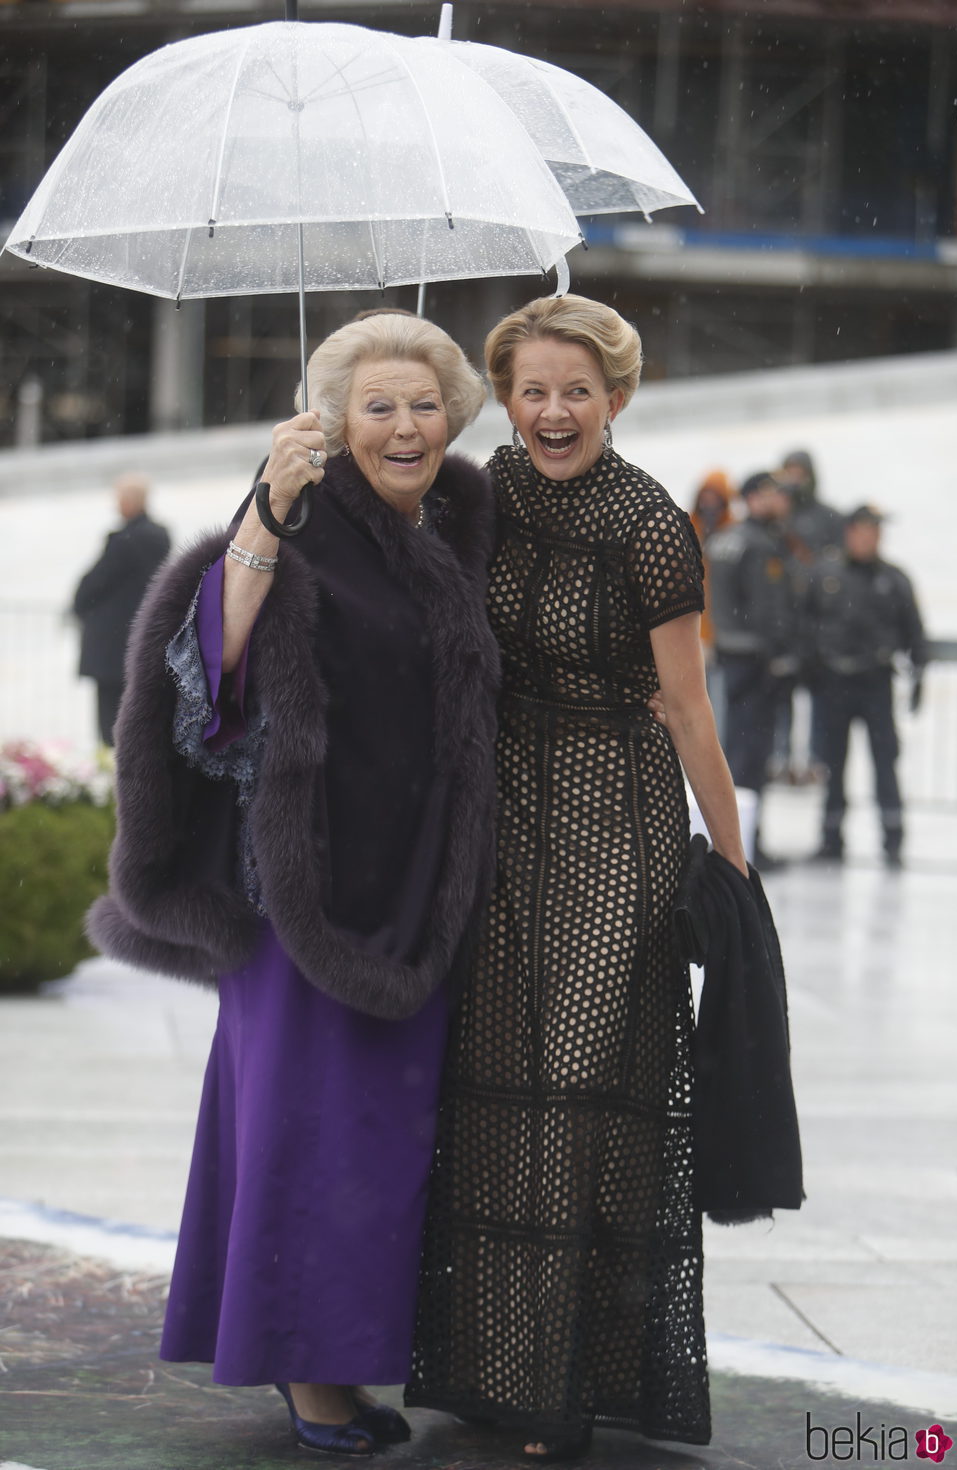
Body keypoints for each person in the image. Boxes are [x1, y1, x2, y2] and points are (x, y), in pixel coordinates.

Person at [87, 313, 499, 1458]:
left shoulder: (458, 529)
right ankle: (306, 1373)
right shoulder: (296, 518)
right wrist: (266, 510)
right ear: (333, 423)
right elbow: (203, 674)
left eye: (423, 405)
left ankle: (340, 1351)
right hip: (302, 893)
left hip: (418, 887)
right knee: (305, 1129)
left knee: (378, 1134)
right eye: (377, 407)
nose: (405, 426)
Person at [407, 295, 748, 1462]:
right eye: (530, 389)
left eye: (575, 391)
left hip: (618, 817)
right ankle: (490, 1365)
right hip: (498, 814)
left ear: (615, 397)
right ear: (503, 397)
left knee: (576, 1092)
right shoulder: (473, 495)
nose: (552, 411)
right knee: (496, 1085)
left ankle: (571, 1378)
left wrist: (734, 867)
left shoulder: (651, 524)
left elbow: (687, 707)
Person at [806, 504, 927, 868]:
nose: (869, 538)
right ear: (849, 532)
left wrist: (920, 674)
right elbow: (803, 626)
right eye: (863, 530)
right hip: (834, 685)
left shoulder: (894, 578)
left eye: (875, 532)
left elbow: (915, 633)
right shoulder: (825, 574)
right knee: (833, 763)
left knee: (885, 761)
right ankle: (830, 838)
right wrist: (808, 671)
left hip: (876, 684)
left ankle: (892, 840)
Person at [705, 470, 805, 866]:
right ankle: (745, 846)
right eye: (771, 494)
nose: (780, 501)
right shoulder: (760, 545)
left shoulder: (726, 539)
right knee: (750, 756)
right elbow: (769, 611)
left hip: (731, 657)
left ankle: (737, 843)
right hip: (756, 662)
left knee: (735, 753)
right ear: (752, 497)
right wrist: (782, 655)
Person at [71, 472, 171, 745]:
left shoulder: (127, 540)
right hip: (139, 639)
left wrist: (78, 606)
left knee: (110, 724)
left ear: (130, 501)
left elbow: (95, 584)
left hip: (111, 645)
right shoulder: (158, 536)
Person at [689, 468, 737, 740]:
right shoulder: (688, 528)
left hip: (723, 632)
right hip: (694, 629)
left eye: (715, 498)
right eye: (705, 497)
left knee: (719, 699)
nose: (709, 504)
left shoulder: (734, 536)